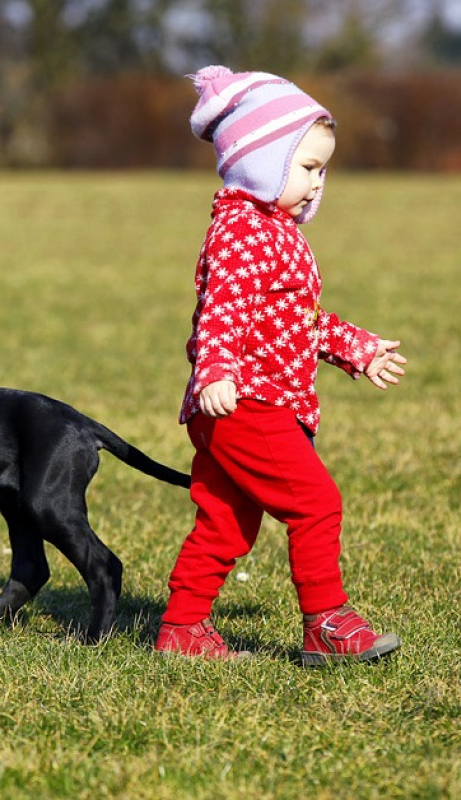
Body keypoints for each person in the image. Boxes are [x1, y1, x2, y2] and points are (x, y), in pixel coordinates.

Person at [154, 66, 407, 666]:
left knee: (225, 522)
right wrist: (217, 370)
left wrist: (357, 349)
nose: (319, 183)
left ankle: (182, 629)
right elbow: (223, 307)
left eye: (324, 170)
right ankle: (326, 622)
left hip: (254, 402)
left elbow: (301, 318)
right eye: (307, 167)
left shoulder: (277, 231)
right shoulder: (242, 231)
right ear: (261, 162)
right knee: (316, 503)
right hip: (246, 403)